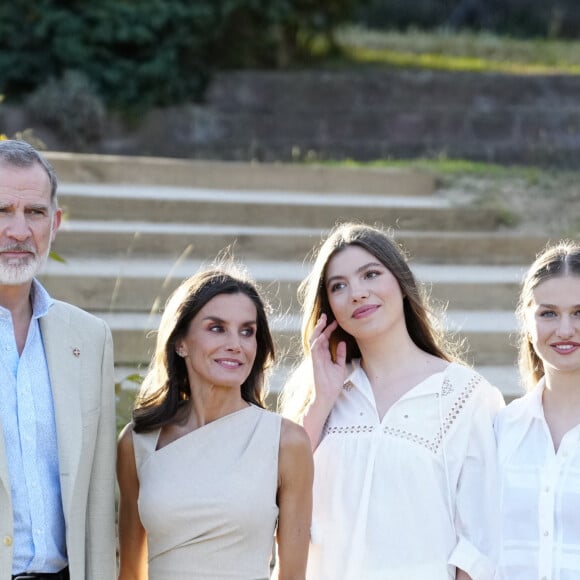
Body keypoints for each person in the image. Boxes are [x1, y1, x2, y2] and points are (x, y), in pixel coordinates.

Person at [280, 222, 504, 580]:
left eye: (370, 274)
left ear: (401, 284)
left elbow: (479, 542)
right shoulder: (323, 396)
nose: (357, 293)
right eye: (339, 286)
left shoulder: (466, 395)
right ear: (329, 309)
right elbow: (283, 497)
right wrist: (321, 400)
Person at [116, 266, 313, 580]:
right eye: (217, 328)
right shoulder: (137, 442)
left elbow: (292, 576)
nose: (236, 343)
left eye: (247, 331)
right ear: (180, 342)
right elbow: (130, 572)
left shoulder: (286, 442)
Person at [0, 139, 116, 579]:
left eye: (34, 213)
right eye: (1, 211)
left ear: (55, 222)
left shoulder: (90, 338)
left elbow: (99, 497)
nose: (18, 230)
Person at [495, 241, 580, 579]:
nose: (564, 330)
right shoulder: (501, 429)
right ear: (527, 323)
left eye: (579, 313)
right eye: (548, 313)